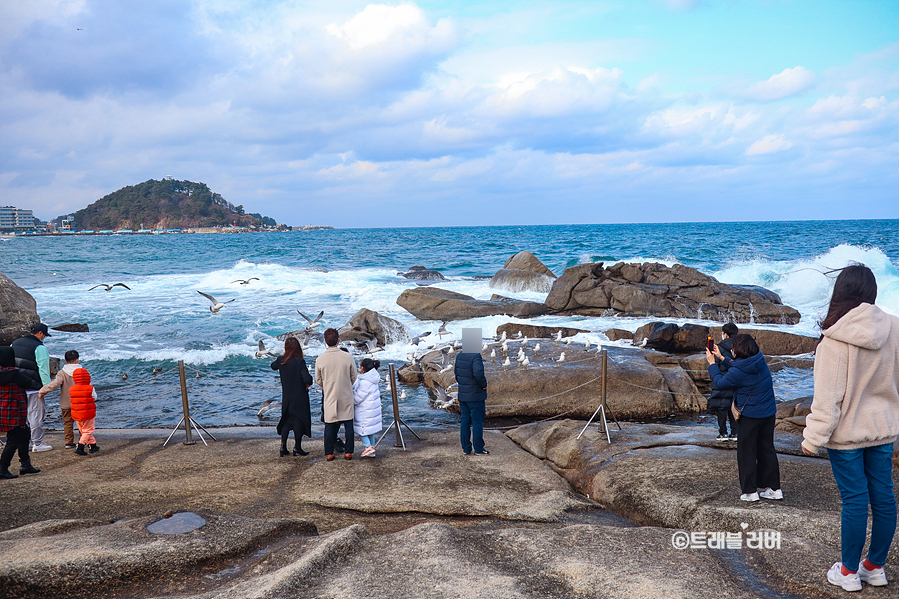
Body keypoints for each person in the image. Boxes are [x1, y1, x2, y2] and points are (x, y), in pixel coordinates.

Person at [801, 265, 898, 592]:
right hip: (883, 429)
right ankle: (874, 567)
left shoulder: (834, 339)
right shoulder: (894, 328)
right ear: (871, 292)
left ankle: (847, 573)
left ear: (840, 293)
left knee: (855, 501)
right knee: (884, 497)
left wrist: (812, 438)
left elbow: (828, 398)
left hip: (846, 436)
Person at [707, 333, 781, 502]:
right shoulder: (759, 359)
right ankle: (774, 489)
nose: (731, 350)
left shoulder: (738, 371)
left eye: (733, 348)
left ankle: (750, 492)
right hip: (768, 413)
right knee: (767, 449)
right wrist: (722, 358)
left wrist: (712, 364)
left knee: (747, 452)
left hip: (750, 416)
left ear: (739, 350)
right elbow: (739, 366)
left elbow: (720, 383)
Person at [314, 328, 356, 461]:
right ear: (338, 340)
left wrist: (327, 385)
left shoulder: (320, 359)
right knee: (348, 424)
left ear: (326, 342)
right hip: (345, 393)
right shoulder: (347, 356)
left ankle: (329, 453)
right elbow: (354, 377)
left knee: (330, 425)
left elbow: (318, 380)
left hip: (330, 394)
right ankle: (348, 452)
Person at [0, 346, 41, 479]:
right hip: (15, 411)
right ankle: (2, 468)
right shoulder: (14, 373)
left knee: (24, 434)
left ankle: (25, 464)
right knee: (13, 440)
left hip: (4, 411)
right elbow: (30, 383)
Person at [11, 323, 52, 451]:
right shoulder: (40, 348)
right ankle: (37, 443)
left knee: (20, 415)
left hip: (16, 384)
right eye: (44, 335)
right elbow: (43, 369)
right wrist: (47, 387)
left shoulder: (14, 343)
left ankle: (23, 442)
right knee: (35, 414)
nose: (44, 338)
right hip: (33, 386)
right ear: (40, 333)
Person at [271, 337, 313, 457]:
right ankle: (297, 447)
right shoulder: (299, 362)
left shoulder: (281, 360)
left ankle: (283, 447)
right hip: (299, 396)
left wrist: (280, 358)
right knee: (297, 420)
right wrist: (308, 381)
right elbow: (307, 378)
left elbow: (273, 366)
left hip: (287, 396)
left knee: (286, 420)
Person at [38, 350, 88, 449]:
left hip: (66, 402)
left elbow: (54, 384)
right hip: (80, 402)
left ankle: (68, 442)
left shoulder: (62, 373)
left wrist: (42, 391)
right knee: (82, 423)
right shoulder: (83, 371)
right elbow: (88, 385)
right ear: (77, 359)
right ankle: (83, 441)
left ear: (65, 360)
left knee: (68, 423)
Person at [707, 323, 739, 441]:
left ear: (725, 334)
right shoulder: (740, 346)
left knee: (721, 408)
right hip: (735, 381)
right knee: (732, 408)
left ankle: (723, 433)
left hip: (721, 380)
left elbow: (715, 363)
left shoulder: (718, 348)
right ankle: (735, 433)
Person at [455, 345, 489, 455]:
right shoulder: (475, 356)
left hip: (463, 395)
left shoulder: (459, 355)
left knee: (465, 421)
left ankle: (466, 448)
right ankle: (478, 449)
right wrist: (484, 385)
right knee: (477, 422)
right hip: (475, 396)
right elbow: (478, 373)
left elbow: (456, 374)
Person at [353, 358, 383, 458]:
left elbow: (357, 398)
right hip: (372, 408)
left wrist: (350, 398)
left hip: (364, 410)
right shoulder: (373, 377)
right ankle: (372, 448)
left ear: (362, 368)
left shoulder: (364, 381)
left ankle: (368, 447)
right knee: (370, 429)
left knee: (362, 428)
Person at [69, 367, 98, 455]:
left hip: (76, 413)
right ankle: (80, 447)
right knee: (88, 430)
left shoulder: (71, 389)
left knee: (84, 430)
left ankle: (93, 445)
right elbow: (95, 397)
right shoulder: (90, 388)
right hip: (88, 413)